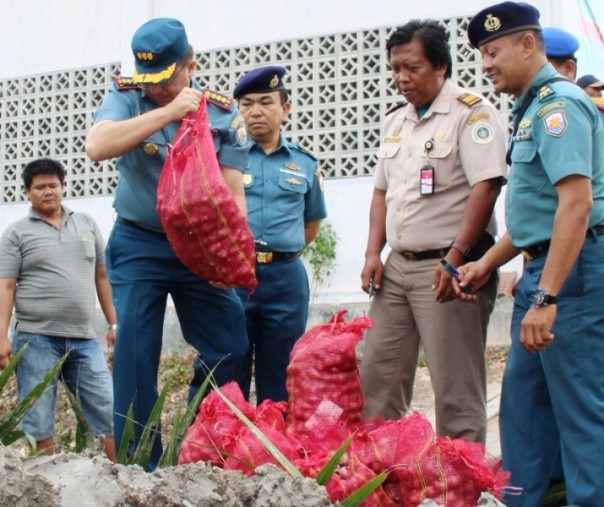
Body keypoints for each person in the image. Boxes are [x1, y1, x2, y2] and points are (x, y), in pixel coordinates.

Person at [85, 17, 250, 468]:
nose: (155, 88)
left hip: (200, 247)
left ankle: (199, 442)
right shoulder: (127, 96)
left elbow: (234, 193)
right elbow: (97, 146)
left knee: (230, 345)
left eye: (166, 79)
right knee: (136, 357)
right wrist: (168, 110)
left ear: (190, 64)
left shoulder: (221, 113)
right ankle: (142, 467)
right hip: (141, 245)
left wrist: (235, 254)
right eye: (149, 80)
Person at [463, 3, 604, 505]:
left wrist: (547, 296)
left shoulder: (558, 107)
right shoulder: (529, 108)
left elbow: (576, 205)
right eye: (481, 54)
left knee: (580, 410)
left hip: (572, 276)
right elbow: (538, 217)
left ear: (528, 44)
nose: (486, 64)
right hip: (544, 269)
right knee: (523, 404)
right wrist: (487, 262)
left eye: (493, 51)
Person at [359, 19, 507, 444]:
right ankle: (380, 480)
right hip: (397, 269)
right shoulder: (396, 122)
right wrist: (373, 253)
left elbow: (487, 185)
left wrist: (456, 257)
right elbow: (381, 193)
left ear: (441, 66)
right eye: (395, 69)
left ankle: (460, 488)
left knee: (455, 389)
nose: (402, 79)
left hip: (450, 269)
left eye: (413, 68)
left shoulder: (472, 113)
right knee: (377, 381)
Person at [0, 158, 116, 461]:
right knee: (38, 418)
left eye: (53, 185)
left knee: (107, 408)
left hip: (84, 337)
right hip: (36, 337)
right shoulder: (16, 233)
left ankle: (119, 476)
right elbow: (6, 286)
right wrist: (2, 337)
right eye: (40, 187)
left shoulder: (87, 224)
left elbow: (102, 277)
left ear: (64, 187)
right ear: (27, 191)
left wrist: (114, 325)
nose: (48, 192)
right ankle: (46, 486)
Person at [232, 65, 327, 404]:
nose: (255, 111)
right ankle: (227, 451)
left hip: (285, 280)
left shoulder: (305, 163)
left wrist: (281, 252)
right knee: (230, 367)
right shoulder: (226, 159)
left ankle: (273, 451)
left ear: (285, 109)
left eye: (265, 102)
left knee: (281, 373)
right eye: (246, 103)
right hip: (235, 277)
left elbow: (311, 222)